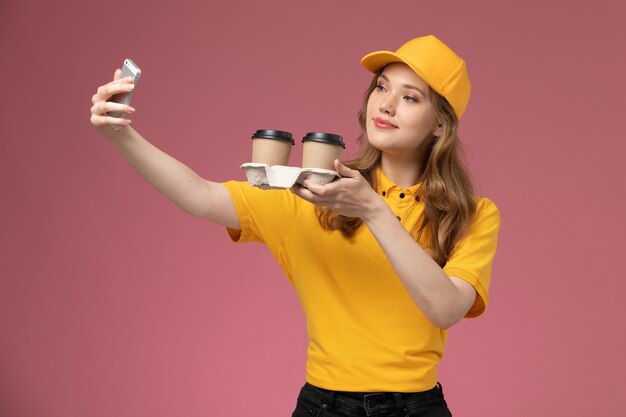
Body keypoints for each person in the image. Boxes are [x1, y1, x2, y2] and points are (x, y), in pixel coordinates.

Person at [90, 35, 501, 417]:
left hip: (418, 408)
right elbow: (200, 194)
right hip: (323, 405)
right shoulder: (314, 191)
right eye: (381, 87)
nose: (386, 105)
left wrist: (374, 211)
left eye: (410, 97)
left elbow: (446, 309)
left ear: (441, 125)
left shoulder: (473, 214)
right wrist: (119, 135)